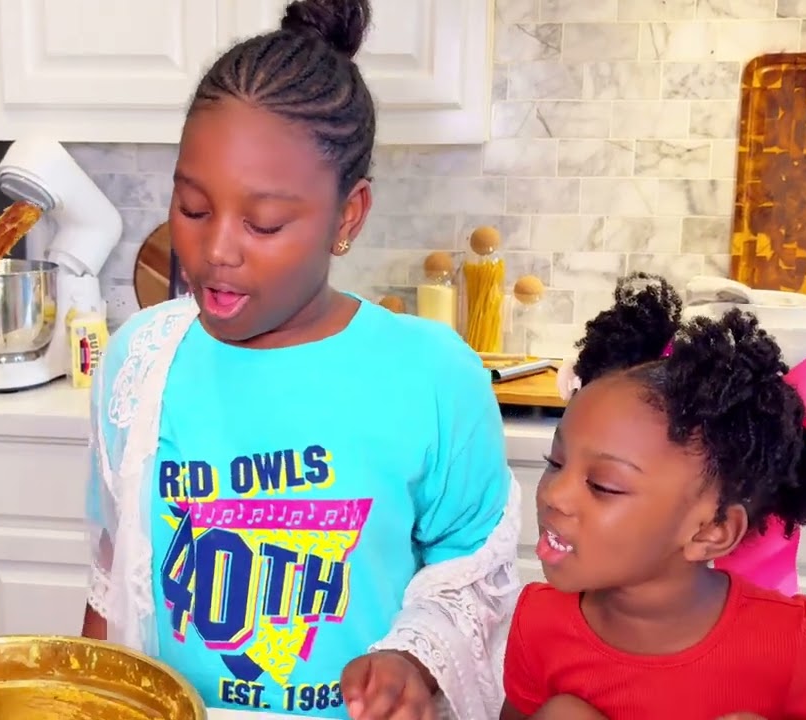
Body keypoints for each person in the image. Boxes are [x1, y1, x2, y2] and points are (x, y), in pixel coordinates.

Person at [81, 0, 521, 718]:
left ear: (347, 216)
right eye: (192, 208)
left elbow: (474, 573)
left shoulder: (432, 375)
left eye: (264, 223)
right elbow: (112, 573)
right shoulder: (142, 359)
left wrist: (417, 659)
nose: (216, 250)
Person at [500, 273, 806, 719]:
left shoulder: (790, 639)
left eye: (603, 485)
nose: (554, 493)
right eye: (554, 463)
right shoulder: (539, 621)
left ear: (712, 530)